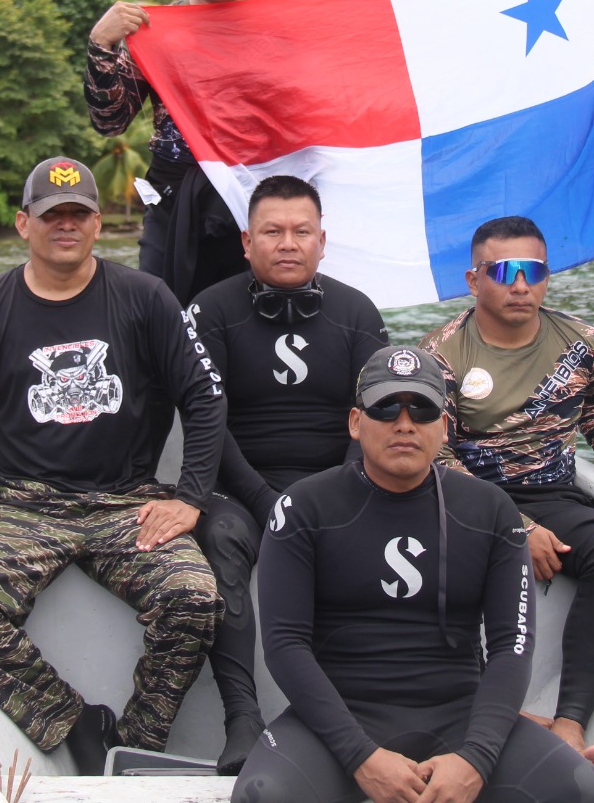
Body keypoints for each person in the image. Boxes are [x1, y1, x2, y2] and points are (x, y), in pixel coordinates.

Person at [0, 156, 227, 775]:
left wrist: (190, 497)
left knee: (193, 599)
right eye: (51, 214)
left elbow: (204, 396)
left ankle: (137, 744)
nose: (66, 224)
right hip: (23, 506)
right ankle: (76, 723)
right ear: (22, 224)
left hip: (126, 502)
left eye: (78, 214)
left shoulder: (146, 298)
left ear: (97, 223)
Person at [231, 345, 594, 803]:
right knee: (262, 797)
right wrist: (360, 757)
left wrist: (476, 758)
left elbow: (511, 646)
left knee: (585, 792)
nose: (405, 424)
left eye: (423, 410)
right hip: (337, 720)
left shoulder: (490, 510)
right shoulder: (303, 508)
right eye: (385, 408)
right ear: (355, 422)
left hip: (460, 716)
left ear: (444, 426)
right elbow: (285, 645)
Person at [420, 216, 594, 773]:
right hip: (465, 500)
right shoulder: (440, 354)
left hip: (552, 493)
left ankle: (572, 722)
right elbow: (436, 456)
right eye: (505, 272)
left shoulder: (581, 343)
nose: (522, 285)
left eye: (535, 271)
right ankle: (476, 711)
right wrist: (513, 527)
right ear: (474, 279)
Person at [188, 174, 388, 772]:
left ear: (322, 242)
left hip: (338, 484)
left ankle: (363, 710)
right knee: (220, 539)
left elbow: (373, 419)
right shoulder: (211, 311)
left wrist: (337, 493)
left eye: (302, 232)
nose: (287, 243)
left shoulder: (356, 312)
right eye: (272, 232)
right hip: (239, 488)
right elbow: (206, 421)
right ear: (246, 242)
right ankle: (242, 718)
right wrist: (263, 499)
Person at [85, 0, 259, 303]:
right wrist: (101, 45)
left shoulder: (281, 30)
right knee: (161, 312)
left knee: (253, 317)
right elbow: (110, 121)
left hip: (258, 195)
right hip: (175, 197)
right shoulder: (155, 31)